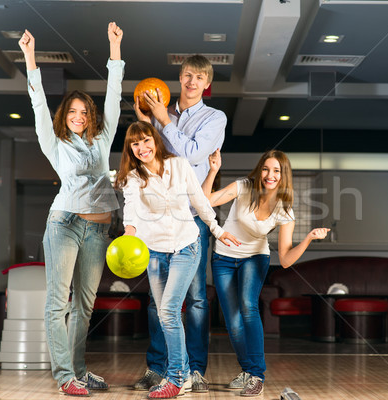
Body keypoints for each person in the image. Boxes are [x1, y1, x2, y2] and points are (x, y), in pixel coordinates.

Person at [18, 22, 124, 397]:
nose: (78, 116)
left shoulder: (103, 139)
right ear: (65, 115)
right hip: (63, 224)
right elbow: (37, 102)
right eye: (72, 111)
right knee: (56, 301)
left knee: (85, 306)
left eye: (84, 111)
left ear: (90, 115)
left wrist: (115, 49)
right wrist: (30, 57)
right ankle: (65, 376)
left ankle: (78, 370)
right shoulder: (54, 143)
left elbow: (114, 94)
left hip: (97, 230)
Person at [117, 121, 239, 399]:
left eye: (146, 140)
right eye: (135, 144)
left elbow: (199, 199)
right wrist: (128, 235)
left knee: (169, 311)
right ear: (130, 148)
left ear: (155, 140)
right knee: (164, 314)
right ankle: (182, 373)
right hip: (154, 251)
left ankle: (175, 378)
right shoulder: (134, 177)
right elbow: (131, 211)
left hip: (186, 245)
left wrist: (217, 230)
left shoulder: (179, 164)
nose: (141, 148)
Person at [132, 54, 226, 393]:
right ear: (180, 77)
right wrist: (147, 121)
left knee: (196, 297)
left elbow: (192, 155)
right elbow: (149, 158)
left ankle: (195, 369)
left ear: (206, 83)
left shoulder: (215, 118)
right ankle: (158, 368)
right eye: (187, 75)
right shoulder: (161, 113)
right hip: (157, 216)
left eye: (199, 77)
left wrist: (162, 119)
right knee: (157, 299)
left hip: (192, 217)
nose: (191, 82)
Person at [202, 149, 329, 396]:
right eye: (266, 169)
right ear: (260, 170)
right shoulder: (243, 187)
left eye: (276, 171)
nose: (270, 175)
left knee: (248, 306)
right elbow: (206, 200)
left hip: (255, 257)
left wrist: (309, 239)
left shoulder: (284, 209)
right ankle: (248, 371)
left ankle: (257, 376)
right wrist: (213, 171)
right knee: (233, 321)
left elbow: (285, 260)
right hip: (223, 258)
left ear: (284, 176)